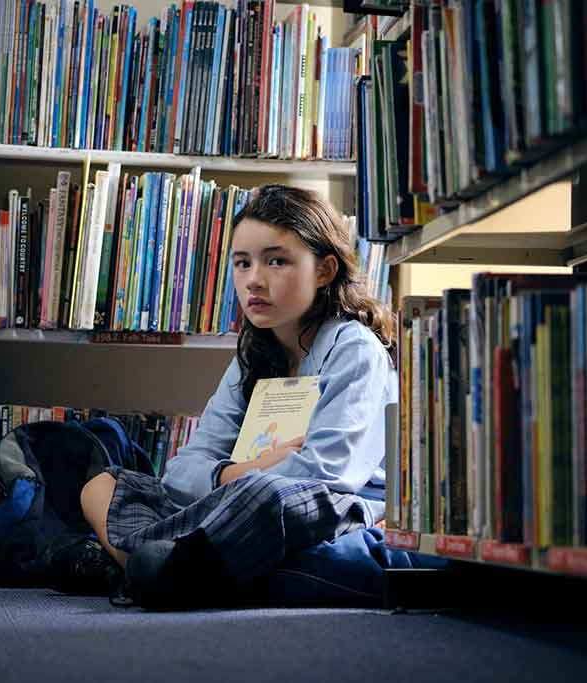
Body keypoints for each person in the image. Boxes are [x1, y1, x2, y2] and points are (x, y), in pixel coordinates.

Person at [78, 184, 397, 609]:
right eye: (242, 263)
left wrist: (241, 480)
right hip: (235, 500)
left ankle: (137, 562)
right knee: (101, 485)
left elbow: (326, 477)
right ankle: (153, 567)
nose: (254, 280)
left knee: (263, 496)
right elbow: (183, 470)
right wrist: (242, 470)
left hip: (322, 508)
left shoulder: (354, 348)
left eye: (277, 261)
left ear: (324, 271)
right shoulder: (254, 352)